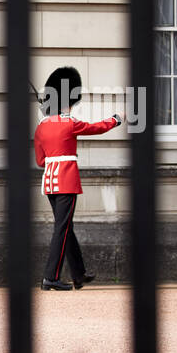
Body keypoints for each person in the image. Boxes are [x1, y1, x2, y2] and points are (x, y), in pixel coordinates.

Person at [34, 65, 122, 291]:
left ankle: (78, 273)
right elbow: (97, 128)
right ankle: (50, 277)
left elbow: (40, 161)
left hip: (50, 182)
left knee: (65, 227)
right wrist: (115, 119)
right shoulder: (69, 123)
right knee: (61, 229)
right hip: (66, 180)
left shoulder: (41, 128)